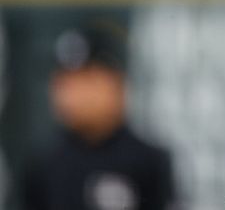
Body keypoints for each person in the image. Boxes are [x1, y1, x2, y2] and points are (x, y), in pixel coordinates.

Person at [22, 20, 176, 210]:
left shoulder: (148, 161)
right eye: (64, 80)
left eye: (85, 79)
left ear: (116, 83)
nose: (72, 93)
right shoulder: (43, 164)